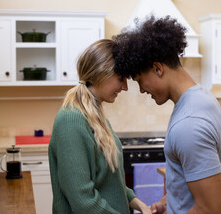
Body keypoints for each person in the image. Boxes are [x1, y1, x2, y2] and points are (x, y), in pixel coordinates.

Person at [112, 16, 221, 214]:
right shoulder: (203, 98)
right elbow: (194, 184)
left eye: (140, 80)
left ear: (158, 68)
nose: (142, 90)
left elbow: (210, 209)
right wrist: (169, 201)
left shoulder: (189, 124)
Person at [48, 39, 151, 214]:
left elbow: (110, 181)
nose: (125, 87)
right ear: (101, 73)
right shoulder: (70, 121)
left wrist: (138, 204)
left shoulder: (97, 118)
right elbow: (83, 202)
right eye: (121, 78)